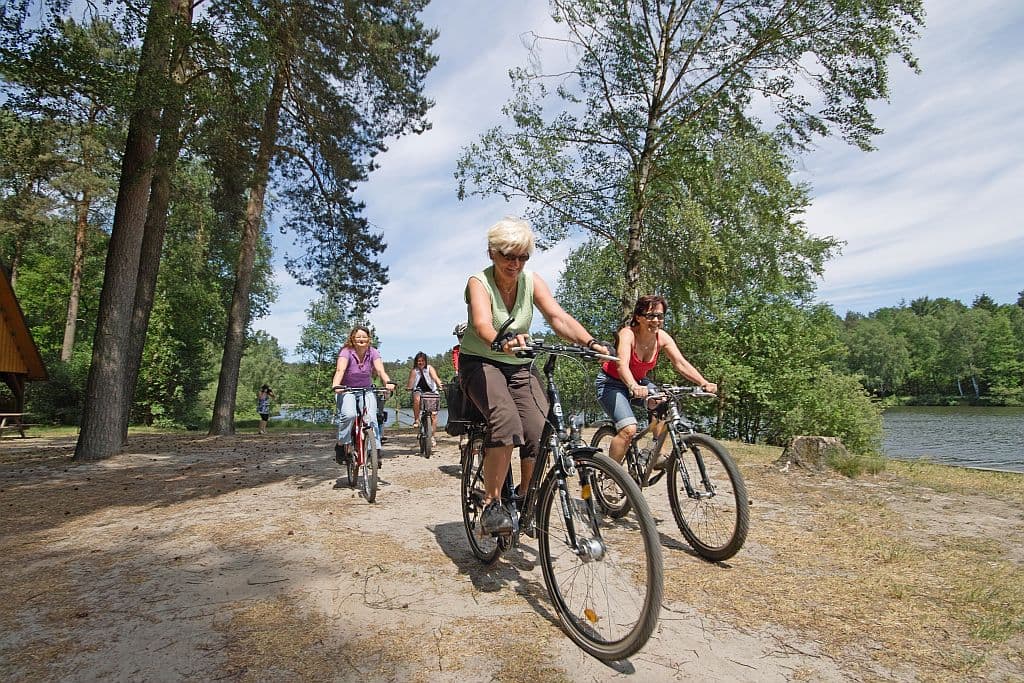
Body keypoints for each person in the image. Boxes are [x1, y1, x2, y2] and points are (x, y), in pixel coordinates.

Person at [459, 217, 608, 535]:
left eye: (522, 257)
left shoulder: (531, 281)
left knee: (541, 429)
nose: (515, 264)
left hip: (519, 365)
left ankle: (526, 496)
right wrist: (501, 340)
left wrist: (591, 343)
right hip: (481, 362)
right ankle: (492, 504)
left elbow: (557, 317)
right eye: (508, 256)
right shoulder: (479, 282)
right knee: (506, 422)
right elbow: (482, 323)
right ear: (492, 253)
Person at [595, 294, 717, 467]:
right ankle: (610, 475)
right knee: (628, 429)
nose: (656, 320)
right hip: (611, 383)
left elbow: (680, 363)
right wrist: (633, 386)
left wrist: (703, 382)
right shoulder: (627, 334)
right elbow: (622, 365)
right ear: (638, 317)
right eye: (650, 316)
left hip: (638, 382)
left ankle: (656, 453)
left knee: (665, 403)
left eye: (660, 316)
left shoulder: (662, 337)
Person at [332, 326, 396, 466]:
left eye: (364, 337)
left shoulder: (373, 352)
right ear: (352, 339)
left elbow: (380, 370)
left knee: (372, 417)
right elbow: (340, 370)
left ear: (368, 339)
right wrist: (336, 385)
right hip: (346, 390)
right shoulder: (346, 352)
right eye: (358, 337)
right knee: (349, 415)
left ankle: (374, 452)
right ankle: (341, 445)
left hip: (366, 390)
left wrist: (388, 382)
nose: (361, 339)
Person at [406, 351, 443, 443]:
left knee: (433, 415)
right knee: (417, 398)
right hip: (419, 390)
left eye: (422, 361)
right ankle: (417, 420)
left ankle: (432, 436)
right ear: (416, 362)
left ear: (425, 361)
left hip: (431, 391)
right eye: (419, 361)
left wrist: (440, 385)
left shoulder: (430, 368)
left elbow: (435, 378)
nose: (421, 363)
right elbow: (410, 383)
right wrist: (409, 388)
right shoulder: (414, 371)